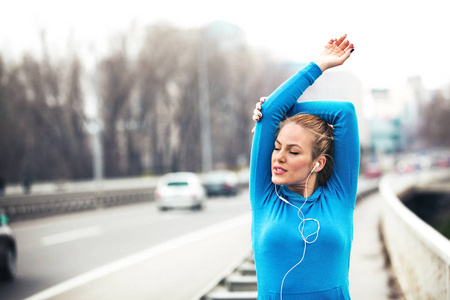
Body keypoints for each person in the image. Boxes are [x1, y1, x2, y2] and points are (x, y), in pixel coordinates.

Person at [249, 35, 359, 299]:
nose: (278, 157)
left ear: (318, 162)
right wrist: (317, 65)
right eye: (276, 147)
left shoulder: (338, 196)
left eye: (293, 151)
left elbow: (345, 113)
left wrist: (286, 111)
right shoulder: (264, 197)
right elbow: (271, 110)